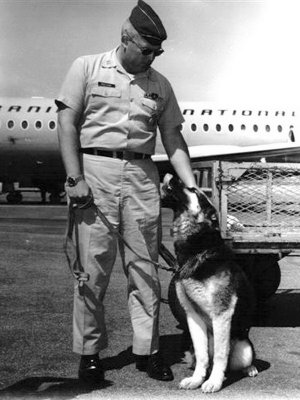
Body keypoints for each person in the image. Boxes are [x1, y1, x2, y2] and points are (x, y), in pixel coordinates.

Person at [56, 0, 197, 385]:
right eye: (147, 50)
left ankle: (147, 352)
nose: (152, 57)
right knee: (93, 271)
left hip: (141, 174)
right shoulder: (86, 67)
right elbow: (67, 122)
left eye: (158, 52)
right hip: (94, 173)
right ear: (126, 39)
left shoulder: (160, 84)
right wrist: (75, 177)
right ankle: (89, 355)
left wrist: (190, 184)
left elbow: (172, 136)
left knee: (144, 269)